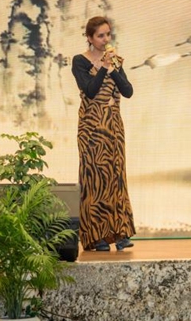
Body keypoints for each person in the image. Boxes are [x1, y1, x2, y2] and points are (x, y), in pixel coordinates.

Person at [71, 16, 136, 251]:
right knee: (95, 178)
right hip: (92, 126)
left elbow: (128, 91)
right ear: (89, 38)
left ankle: (120, 233)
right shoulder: (80, 61)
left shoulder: (114, 60)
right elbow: (90, 90)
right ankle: (96, 235)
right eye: (100, 35)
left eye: (108, 34)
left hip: (113, 125)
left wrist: (114, 67)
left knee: (116, 176)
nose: (105, 39)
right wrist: (104, 68)